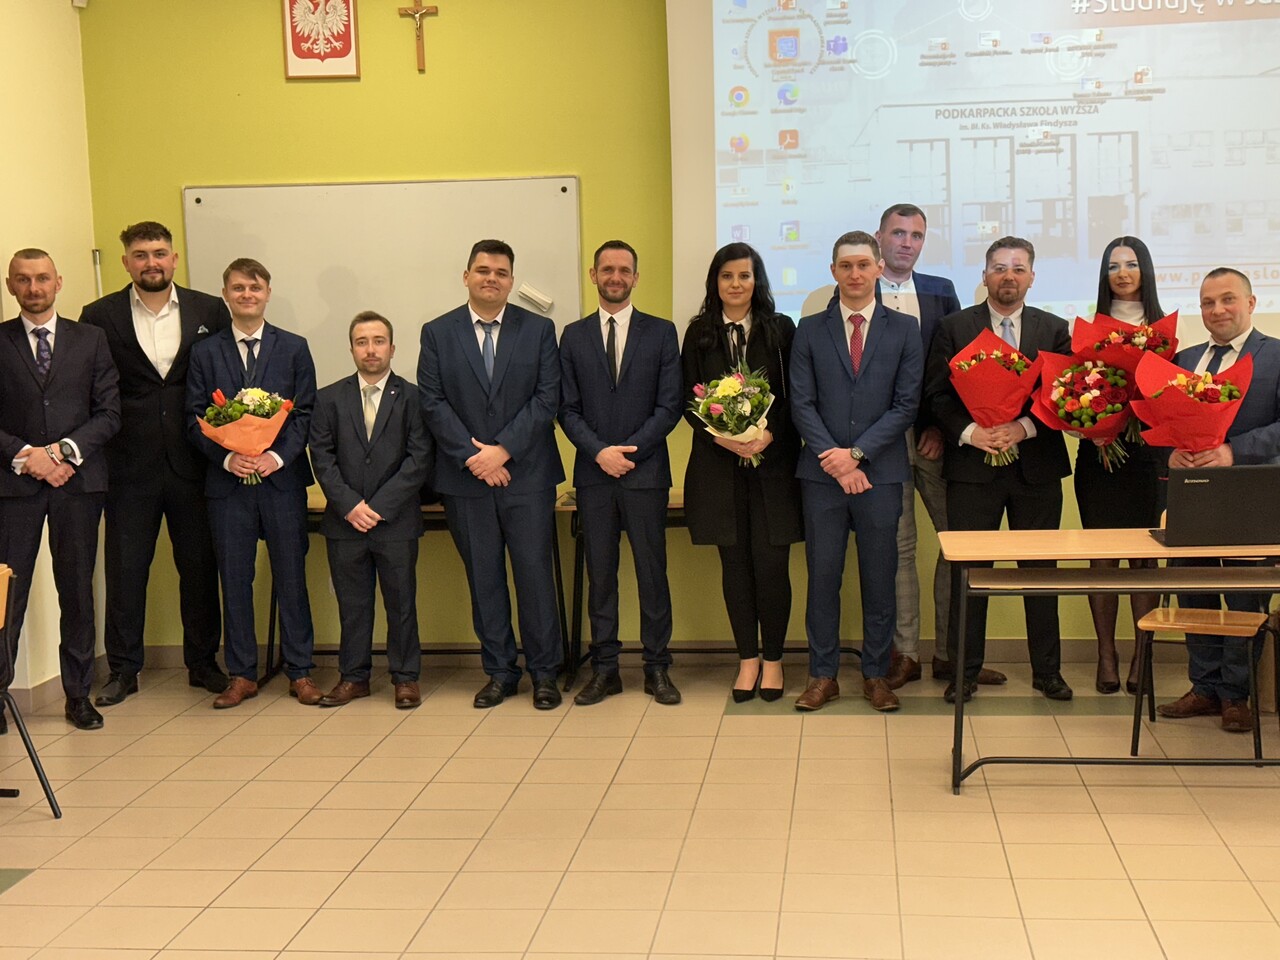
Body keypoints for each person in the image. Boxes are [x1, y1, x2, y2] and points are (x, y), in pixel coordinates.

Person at [79, 221, 229, 706]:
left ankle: (203, 663)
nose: (151, 263)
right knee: (126, 573)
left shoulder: (209, 310)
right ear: (126, 262)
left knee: (200, 568)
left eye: (159, 253)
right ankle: (123, 670)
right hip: (127, 467)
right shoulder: (98, 315)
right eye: (141, 255)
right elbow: (90, 388)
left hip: (195, 462)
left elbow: (223, 383)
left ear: (174, 258)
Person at [417, 240, 565, 710]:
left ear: (511, 281)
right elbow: (432, 402)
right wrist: (473, 457)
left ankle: (545, 673)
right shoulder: (437, 332)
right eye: (483, 270)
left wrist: (502, 451)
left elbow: (547, 397)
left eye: (501, 273)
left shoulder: (539, 329)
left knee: (535, 578)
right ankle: (501, 672)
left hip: (528, 476)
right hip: (466, 480)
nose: (491, 279)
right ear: (466, 277)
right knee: (484, 580)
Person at [925, 237, 1073, 703]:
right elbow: (937, 394)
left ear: (1032, 277)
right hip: (972, 469)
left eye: (1018, 268)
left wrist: (1021, 428)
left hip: (1036, 469)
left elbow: (1062, 396)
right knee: (969, 574)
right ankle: (964, 672)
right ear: (985, 276)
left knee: (1040, 574)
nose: (1009, 276)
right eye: (999, 268)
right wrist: (973, 433)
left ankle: (1048, 671)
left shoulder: (1055, 329)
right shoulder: (954, 327)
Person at [873, 203, 1006, 691]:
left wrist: (938, 427)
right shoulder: (859, 288)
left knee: (957, 542)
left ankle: (953, 656)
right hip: (878, 445)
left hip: (935, 440)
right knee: (899, 546)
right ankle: (905, 654)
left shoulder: (940, 290)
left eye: (916, 235)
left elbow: (955, 367)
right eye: (898, 233)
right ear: (880, 237)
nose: (906, 243)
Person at [790, 231, 922, 712]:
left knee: (880, 579)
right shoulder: (808, 329)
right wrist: (835, 458)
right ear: (833, 271)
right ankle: (822, 675)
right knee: (823, 579)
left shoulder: (904, 329)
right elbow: (801, 402)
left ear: (879, 268)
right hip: (822, 477)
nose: (855, 273)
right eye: (846, 265)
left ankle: (876, 675)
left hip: (880, 476)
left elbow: (905, 405)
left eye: (864, 264)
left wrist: (858, 455)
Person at [187, 258, 318, 708]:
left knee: (291, 577)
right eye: (239, 288)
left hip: (282, 482)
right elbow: (194, 418)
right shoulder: (205, 352)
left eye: (255, 288)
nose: (247, 295)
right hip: (228, 486)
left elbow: (305, 413)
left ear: (268, 293)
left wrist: (275, 457)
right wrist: (229, 457)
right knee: (235, 580)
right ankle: (242, 674)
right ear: (226, 294)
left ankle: (300, 671)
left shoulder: (294, 347)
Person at [0, 249, 120, 731]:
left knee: (76, 591)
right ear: (10, 285)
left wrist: (62, 454)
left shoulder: (91, 339)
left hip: (78, 485)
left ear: (59, 282)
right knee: (8, 595)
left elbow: (109, 412)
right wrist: (26, 456)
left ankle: (77, 695)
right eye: (23, 279)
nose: (34, 288)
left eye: (42, 278)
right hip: (14, 487)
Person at [559, 241, 683, 705]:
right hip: (594, 476)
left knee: (653, 574)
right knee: (601, 576)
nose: (616, 276)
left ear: (636, 277)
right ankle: (605, 670)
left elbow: (670, 405)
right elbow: (566, 408)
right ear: (594, 275)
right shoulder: (572, 336)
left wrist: (629, 452)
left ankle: (657, 668)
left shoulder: (662, 332)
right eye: (607, 269)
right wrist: (599, 453)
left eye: (624, 270)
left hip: (645, 473)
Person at [1157, 268, 1280, 733]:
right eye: (1207, 302)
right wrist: (1171, 451)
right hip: (1193, 496)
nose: (1217, 310)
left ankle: (1236, 694)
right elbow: (1163, 424)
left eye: (1228, 299)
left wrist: (1233, 451)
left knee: (1246, 596)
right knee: (1195, 590)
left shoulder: (1276, 355)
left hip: (1252, 495)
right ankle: (1204, 687)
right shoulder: (1184, 360)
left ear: (1250, 303)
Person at [680, 242, 803, 701]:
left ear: (757, 282)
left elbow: (795, 396)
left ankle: (773, 661)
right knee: (734, 567)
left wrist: (767, 436)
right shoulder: (699, 333)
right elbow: (687, 399)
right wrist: (722, 437)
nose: (736, 284)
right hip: (719, 469)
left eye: (745, 276)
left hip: (773, 468)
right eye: (727, 276)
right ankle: (747, 660)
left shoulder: (781, 329)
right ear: (715, 282)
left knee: (771, 566)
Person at [309, 311, 433, 709]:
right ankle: (354, 677)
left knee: (401, 604)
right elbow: (322, 457)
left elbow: (419, 458)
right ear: (351, 349)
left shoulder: (414, 398)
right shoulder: (328, 398)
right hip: (345, 523)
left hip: (395, 521)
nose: (371, 349)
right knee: (353, 606)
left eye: (379, 341)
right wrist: (350, 505)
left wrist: (377, 507)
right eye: (362, 342)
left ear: (392, 348)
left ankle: (406, 678)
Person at [1076, 237, 1165, 693]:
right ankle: (1106, 654)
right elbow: (1072, 390)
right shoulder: (1090, 328)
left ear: (1145, 270)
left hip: (1147, 455)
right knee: (1103, 557)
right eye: (1113, 266)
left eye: (1131, 264)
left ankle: (1142, 654)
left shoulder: (1165, 330)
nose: (1123, 273)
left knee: (1144, 557)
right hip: (1100, 455)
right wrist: (1089, 424)